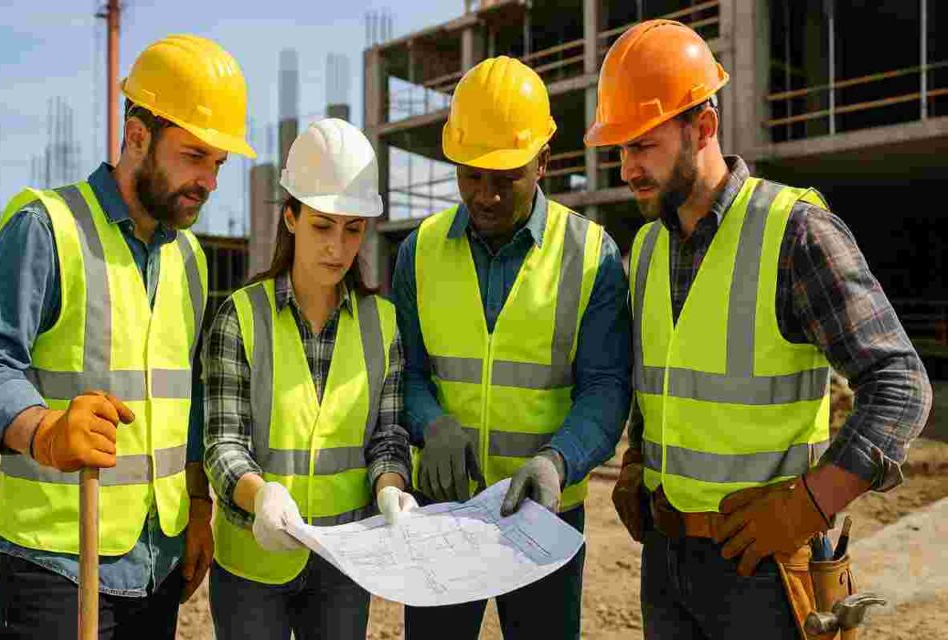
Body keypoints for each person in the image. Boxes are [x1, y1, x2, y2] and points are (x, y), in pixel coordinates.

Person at [585, 19, 933, 639]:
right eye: (620, 149)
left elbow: (901, 385)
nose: (627, 169)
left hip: (765, 565)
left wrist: (812, 502)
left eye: (644, 145)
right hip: (665, 561)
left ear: (705, 127)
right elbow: (662, 379)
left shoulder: (795, 233)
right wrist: (639, 459)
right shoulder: (642, 249)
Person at [0, 34, 255, 638]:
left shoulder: (190, 257)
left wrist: (198, 508)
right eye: (194, 155)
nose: (208, 181)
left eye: (218, 163)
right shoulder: (45, 227)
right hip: (56, 564)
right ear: (138, 134)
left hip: (157, 560)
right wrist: (44, 431)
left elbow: (183, 395)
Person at [392, 56, 632, 639]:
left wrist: (558, 461)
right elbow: (406, 372)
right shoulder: (418, 253)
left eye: (506, 178)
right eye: (472, 175)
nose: (486, 195)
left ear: (543, 162)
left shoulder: (590, 255)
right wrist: (431, 424)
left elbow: (605, 386)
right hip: (443, 512)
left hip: (542, 519)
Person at [203, 117, 415, 640]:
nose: (338, 249)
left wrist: (391, 488)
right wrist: (259, 496)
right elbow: (222, 441)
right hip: (252, 563)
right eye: (323, 225)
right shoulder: (240, 317)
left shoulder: (382, 323)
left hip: (344, 563)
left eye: (353, 229)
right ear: (291, 216)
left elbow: (387, 438)